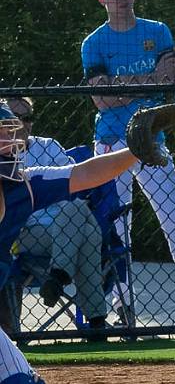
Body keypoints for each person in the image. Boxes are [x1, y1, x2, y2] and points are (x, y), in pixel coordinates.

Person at [0, 101, 175, 384]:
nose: (11, 142)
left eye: (8, 133)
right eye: (1, 135)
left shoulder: (23, 187)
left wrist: (133, 152)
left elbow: (84, 173)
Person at [81, 0, 175, 319]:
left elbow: (171, 78)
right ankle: (124, 306)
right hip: (110, 144)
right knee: (119, 229)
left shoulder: (157, 31)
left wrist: (125, 85)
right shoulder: (94, 43)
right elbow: (101, 99)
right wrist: (147, 80)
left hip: (151, 142)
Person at [6, 97, 108, 329]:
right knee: (87, 230)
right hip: (26, 232)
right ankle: (97, 320)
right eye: (15, 118)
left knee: (77, 213)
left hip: (64, 225)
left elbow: (76, 187)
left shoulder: (48, 146)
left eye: (27, 118)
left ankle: (58, 276)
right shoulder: (3, 156)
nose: (23, 124)